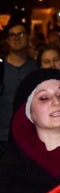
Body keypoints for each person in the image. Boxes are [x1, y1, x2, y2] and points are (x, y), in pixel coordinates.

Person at [1, 21, 40, 149]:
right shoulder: (1, 68)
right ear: (7, 40)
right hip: (3, 137)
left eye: (21, 34)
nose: (16, 38)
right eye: (12, 35)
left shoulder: (36, 69)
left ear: (28, 37)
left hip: (30, 137)